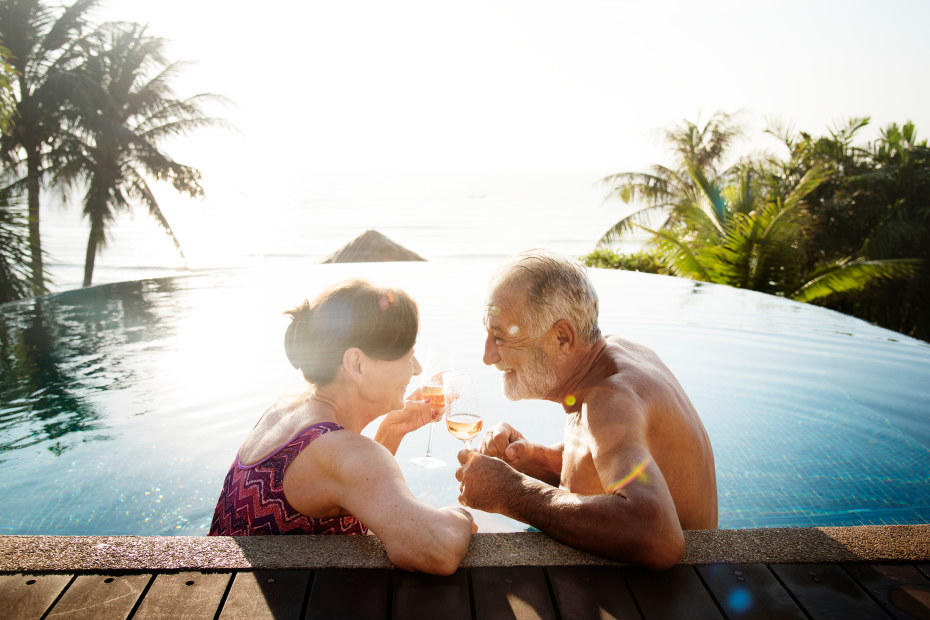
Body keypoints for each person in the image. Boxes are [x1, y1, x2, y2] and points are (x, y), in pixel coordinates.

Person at [455, 250, 716, 570]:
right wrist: (533, 458)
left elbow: (659, 538)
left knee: (456, 543)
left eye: (500, 336)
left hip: (668, 597)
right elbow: (608, 459)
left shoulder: (609, 400)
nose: (487, 356)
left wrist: (511, 493)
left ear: (562, 337)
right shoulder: (614, 356)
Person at [209, 279, 474, 576]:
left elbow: (339, 481)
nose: (417, 368)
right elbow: (437, 549)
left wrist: (390, 432)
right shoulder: (340, 451)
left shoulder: (286, 408)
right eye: (408, 353)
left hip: (230, 594)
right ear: (357, 364)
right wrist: (462, 514)